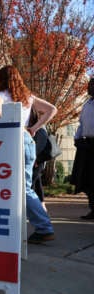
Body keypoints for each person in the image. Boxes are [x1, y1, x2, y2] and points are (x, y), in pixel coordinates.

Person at [0, 65, 57, 244]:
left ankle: (44, 228)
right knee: (21, 186)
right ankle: (18, 224)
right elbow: (52, 109)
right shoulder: (28, 98)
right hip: (28, 141)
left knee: (19, 188)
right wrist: (33, 129)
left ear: (0, 79)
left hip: (10, 142)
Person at [70, 77, 94, 220]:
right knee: (86, 179)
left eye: (92, 85)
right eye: (89, 85)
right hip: (86, 145)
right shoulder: (87, 104)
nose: (89, 88)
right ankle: (93, 208)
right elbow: (81, 124)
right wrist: (77, 138)